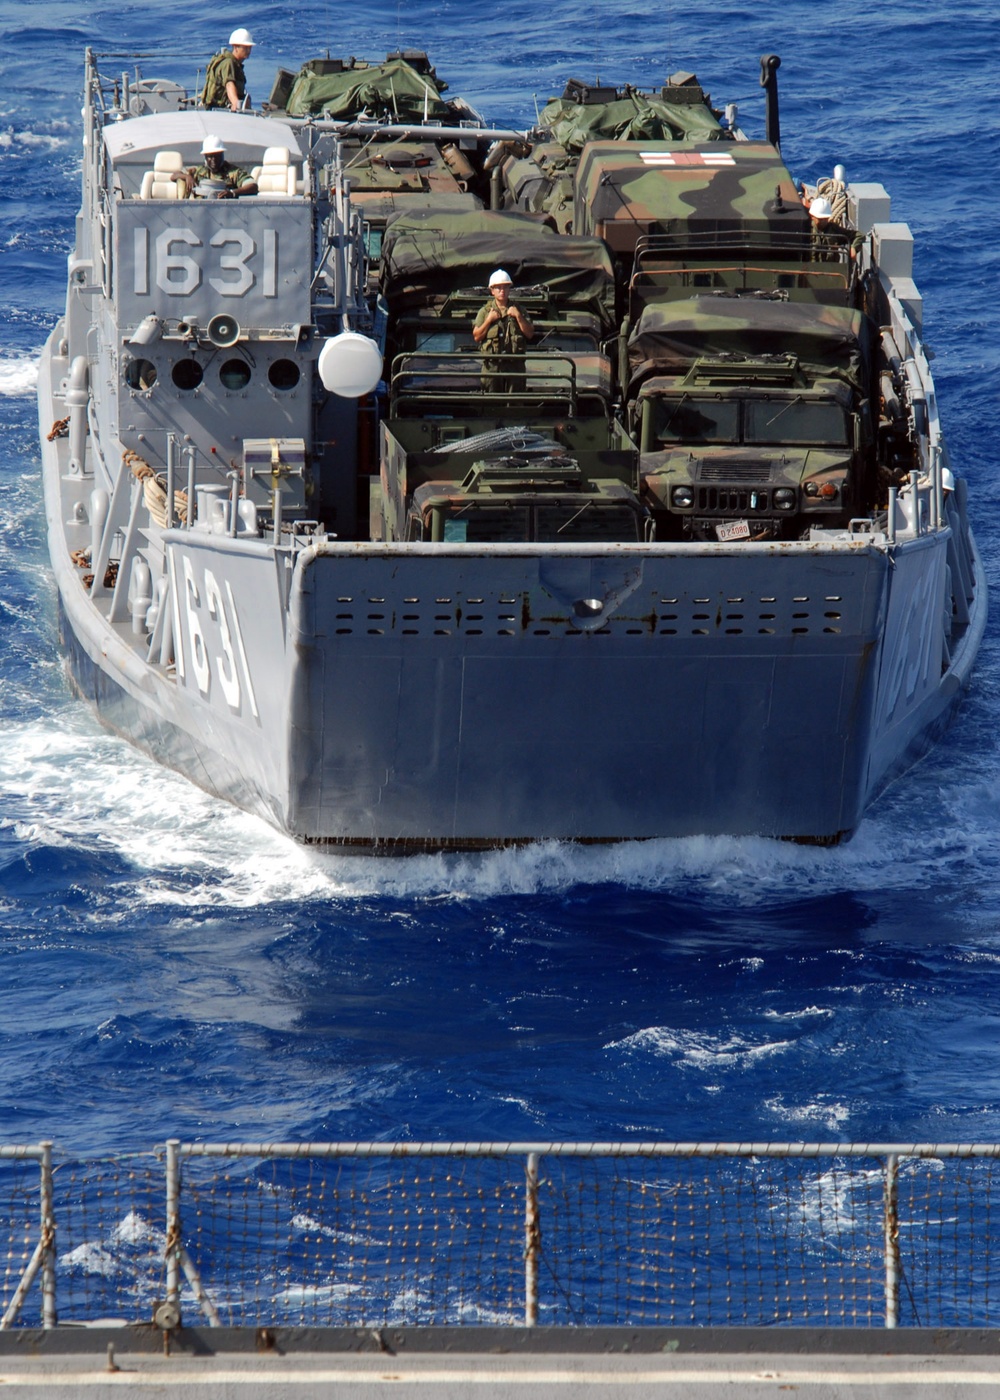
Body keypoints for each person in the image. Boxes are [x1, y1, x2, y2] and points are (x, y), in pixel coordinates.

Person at [472, 269, 534, 394]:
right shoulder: (485, 312)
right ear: (492, 291)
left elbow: (530, 333)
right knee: (491, 405)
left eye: (505, 287)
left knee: (515, 404)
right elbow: (477, 336)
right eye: (498, 288)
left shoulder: (519, 310)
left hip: (515, 367)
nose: (502, 291)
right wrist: (489, 320)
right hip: (492, 367)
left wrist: (518, 316)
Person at [183, 136, 257, 198]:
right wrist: (187, 177)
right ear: (205, 157)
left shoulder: (233, 172)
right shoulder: (199, 171)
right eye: (210, 156)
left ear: (222, 155)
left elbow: (253, 186)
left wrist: (233, 193)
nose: (214, 160)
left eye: (217, 156)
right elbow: (174, 175)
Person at [202, 29, 255, 112]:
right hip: (219, 109)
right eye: (245, 47)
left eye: (250, 48)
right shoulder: (228, 63)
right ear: (235, 47)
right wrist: (236, 104)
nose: (248, 51)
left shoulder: (236, 64)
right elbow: (229, 84)